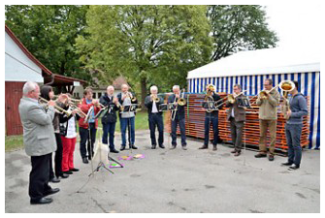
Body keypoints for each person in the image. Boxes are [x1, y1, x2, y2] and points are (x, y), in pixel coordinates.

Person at [19, 81, 60, 205]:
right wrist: (52, 107)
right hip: (38, 143)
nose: (39, 94)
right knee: (39, 171)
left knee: (45, 168)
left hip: (43, 142)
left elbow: (41, 108)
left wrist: (54, 102)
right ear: (31, 93)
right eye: (37, 92)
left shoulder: (31, 103)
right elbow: (46, 119)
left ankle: (45, 189)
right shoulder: (29, 106)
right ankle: (35, 197)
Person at [281, 81, 308, 170]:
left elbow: (305, 111)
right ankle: (290, 160)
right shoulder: (289, 97)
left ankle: (296, 164)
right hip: (288, 123)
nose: (287, 89)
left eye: (289, 87)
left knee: (296, 145)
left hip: (296, 124)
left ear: (295, 87)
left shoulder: (300, 98)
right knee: (289, 144)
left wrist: (292, 114)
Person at [255, 79, 280, 161]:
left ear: (270, 85)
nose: (264, 86)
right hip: (262, 117)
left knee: (272, 136)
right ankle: (262, 151)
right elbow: (257, 103)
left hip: (272, 117)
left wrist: (269, 97)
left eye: (266, 85)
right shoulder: (261, 92)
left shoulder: (275, 93)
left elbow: (276, 104)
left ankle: (271, 153)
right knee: (262, 135)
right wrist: (260, 98)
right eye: (264, 85)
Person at [78, 88, 101, 164]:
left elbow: (98, 112)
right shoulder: (81, 101)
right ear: (85, 95)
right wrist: (92, 104)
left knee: (92, 140)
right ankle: (84, 156)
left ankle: (90, 153)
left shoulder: (93, 101)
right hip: (84, 124)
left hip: (93, 123)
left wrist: (98, 106)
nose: (91, 95)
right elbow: (83, 108)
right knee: (83, 141)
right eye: (89, 94)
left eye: (91, 93)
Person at [200, 84, 222, 151]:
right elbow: (203, 105)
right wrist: (203, 108)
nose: (207, 90)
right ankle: (205, 144)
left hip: (214, 115)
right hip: (207, 115)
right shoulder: (206, 96)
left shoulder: (217, 96)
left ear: (211, 89)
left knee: (215, 131)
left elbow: (220, 106)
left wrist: (214, 107)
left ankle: (214, 145)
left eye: (207, 89)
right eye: (206, 89)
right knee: (206, 130)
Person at [226, 84, 246, 157]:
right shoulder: (232, 96)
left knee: (239, 135)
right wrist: (230, 99)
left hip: (239, 118)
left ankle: (238, 149)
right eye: (234, 89)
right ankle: (235, 147)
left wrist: (236, 98)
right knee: (233, 133)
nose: (235, 91)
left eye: (236, 89)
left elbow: (243, 105)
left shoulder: (243, 97)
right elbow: (226, 105)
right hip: (232, 118)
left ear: (240, 89)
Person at [100, 86, 120, 154]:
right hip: (106, 118)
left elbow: (116, 109)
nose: (111, 91)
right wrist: (113, 102)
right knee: (105, 134)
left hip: (113, 118)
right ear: (107, 90)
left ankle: (112, 147)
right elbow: (104, 105)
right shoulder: (103, 97)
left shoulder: (114, 97)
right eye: (110, 90)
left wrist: (117, 104)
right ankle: (104, 148)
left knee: (112, 134)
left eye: (112, 90)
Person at [117, 84, 138, 151]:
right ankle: (123, 144)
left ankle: (132, 144)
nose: (125, 90)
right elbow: (117, 105)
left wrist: (132, 97)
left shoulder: (131, 94)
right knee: (123, 130)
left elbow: (136, 103)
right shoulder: (119, 95)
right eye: (124, 88)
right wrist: (122, 99)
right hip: (123, 115)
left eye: (126, 88)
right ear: (121, 89)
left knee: (132, 130)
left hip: (131, 115)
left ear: (128, 89)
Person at [168, 85, 187, 150]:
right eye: (174, 91)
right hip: (174, 115)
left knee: (183, 130)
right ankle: (173, 144)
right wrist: (173, 104)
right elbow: (169, 106)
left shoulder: (183, 95)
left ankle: (184, 144)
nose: (176, 92)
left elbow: (186, 104)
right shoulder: (171, 96)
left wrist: (179, 99)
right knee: (173, 130)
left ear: (179, 90)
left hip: (181, 115)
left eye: (177, 91)